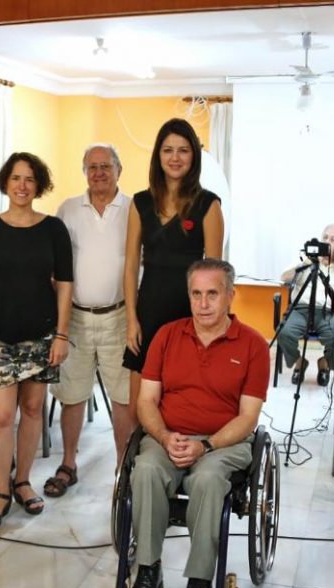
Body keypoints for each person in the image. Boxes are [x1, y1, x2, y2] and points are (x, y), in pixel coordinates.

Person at [127, 258, 269, 588]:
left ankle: (199, 584)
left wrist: (206, 446)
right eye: (196, 294)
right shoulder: (166, 336)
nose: (203, 304)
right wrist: (164, 436)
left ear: (230, 296)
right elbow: (146, 401)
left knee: (207, 480)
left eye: (212, 294)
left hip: (224, 443)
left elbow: (248, 418)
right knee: (145, 469)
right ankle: (147, 572)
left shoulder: (253, 346)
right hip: (168, 435)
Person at [0, 152, 73, 529]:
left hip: (42, 335)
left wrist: (61, 335)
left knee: (32, 410)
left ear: (38, 184)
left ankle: (23, 481)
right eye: (16, 178)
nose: (22, 185)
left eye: (29, 178)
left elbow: (65, 285)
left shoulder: (54, 229)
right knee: (0, 416)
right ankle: (1, 488)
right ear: (5, 183)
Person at [46, 144, 135, 494]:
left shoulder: (134, 209)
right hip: (76, 318)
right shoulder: (68, 209)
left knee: (123, 397)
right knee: (72, 394)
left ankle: (122, 468)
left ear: (119, 169)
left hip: (120, 317)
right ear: (84, 171)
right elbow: (56, 265)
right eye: (92, 167)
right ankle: (68, 463)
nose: (99, 173)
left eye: (105, 166)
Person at [122, 118, 224, 420]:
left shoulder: (208, 205)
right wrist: (131, 320)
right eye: (168, 150)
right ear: (158, 155)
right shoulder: (140, 203)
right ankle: (138, 453)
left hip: (189, 314)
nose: (175, 157)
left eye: (183, 150)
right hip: (148, 312)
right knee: (138, 408)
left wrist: (208, 325)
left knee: (181, 405)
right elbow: (131, 265)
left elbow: (215, 274)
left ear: (194, 156)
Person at [278, 223, 334, 386]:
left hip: (330, 312)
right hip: (300, 309)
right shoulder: (306, 258)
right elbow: (284, 278)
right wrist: (307, 262)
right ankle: (299, 362)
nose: (327, 241)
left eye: (333, 239)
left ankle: (325, 363)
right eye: (325, 237)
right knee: (284, 331)